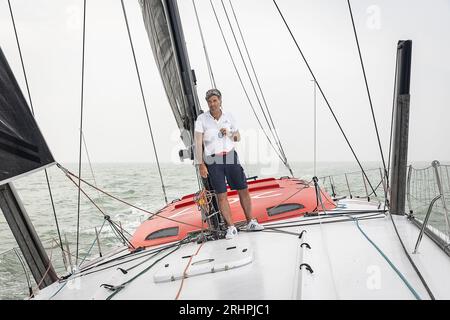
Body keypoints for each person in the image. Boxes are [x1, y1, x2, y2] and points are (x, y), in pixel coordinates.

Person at [194, 88, 264, 239]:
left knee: (243, 189)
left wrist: (230, 133)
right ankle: (231, 227)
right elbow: (198, 142)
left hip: (231, 156)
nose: (212, 104)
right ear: (207, 103)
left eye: (215, 100)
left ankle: (250, 221)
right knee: (221, 195)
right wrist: (201, 164)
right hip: (213, 160)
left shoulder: (229, 116)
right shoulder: (201, 119)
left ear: (220, 101)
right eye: (209, 101)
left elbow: (237, 137)